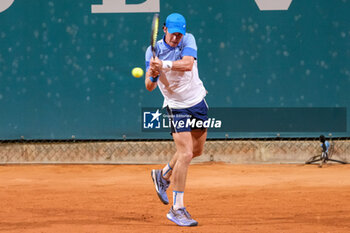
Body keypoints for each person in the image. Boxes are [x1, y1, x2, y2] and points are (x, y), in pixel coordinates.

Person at [145, 13, 208, 227]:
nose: (176, 39)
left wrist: (163, 65)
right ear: (164, 30)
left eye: (179, 35)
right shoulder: (152, 52)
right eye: (173, 34)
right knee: (186, 153)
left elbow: (188, 64)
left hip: (197, 102)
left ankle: (162, 175)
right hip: (176, 107)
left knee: (197, 151)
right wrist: (153, 74)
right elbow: (149, 86)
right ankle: (177, 208)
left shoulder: (188, 39)